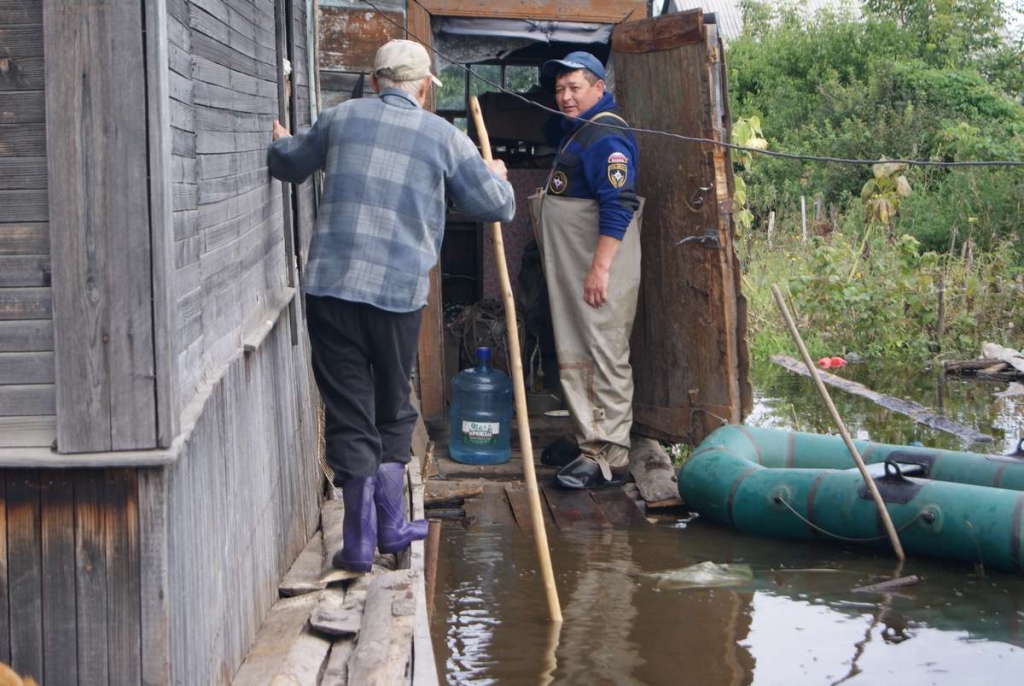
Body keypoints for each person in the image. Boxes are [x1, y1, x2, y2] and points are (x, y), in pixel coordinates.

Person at [267, 39, 515, 572]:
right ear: (424, 87)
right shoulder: (444, 137)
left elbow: (287, 163)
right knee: (394, 405)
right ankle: (393, 527)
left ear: (375, 80)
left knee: (348, 406)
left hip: (330, 289)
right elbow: (495, 206)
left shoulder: (338, 119)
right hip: (396, 298)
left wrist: (283, 143)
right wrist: (494, 175)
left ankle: (358, 543)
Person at [529, 51, 643, 489]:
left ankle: (609, 456)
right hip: (578, 265)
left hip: (597, 267)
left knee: (603, 353)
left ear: (598, 87)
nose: (564, 96)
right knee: (580, 351)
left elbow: (618, 203)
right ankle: (589, 439)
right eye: (559, 89)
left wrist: (600, 269)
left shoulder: (606, 136)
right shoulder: (579, 132)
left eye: (574, 87)